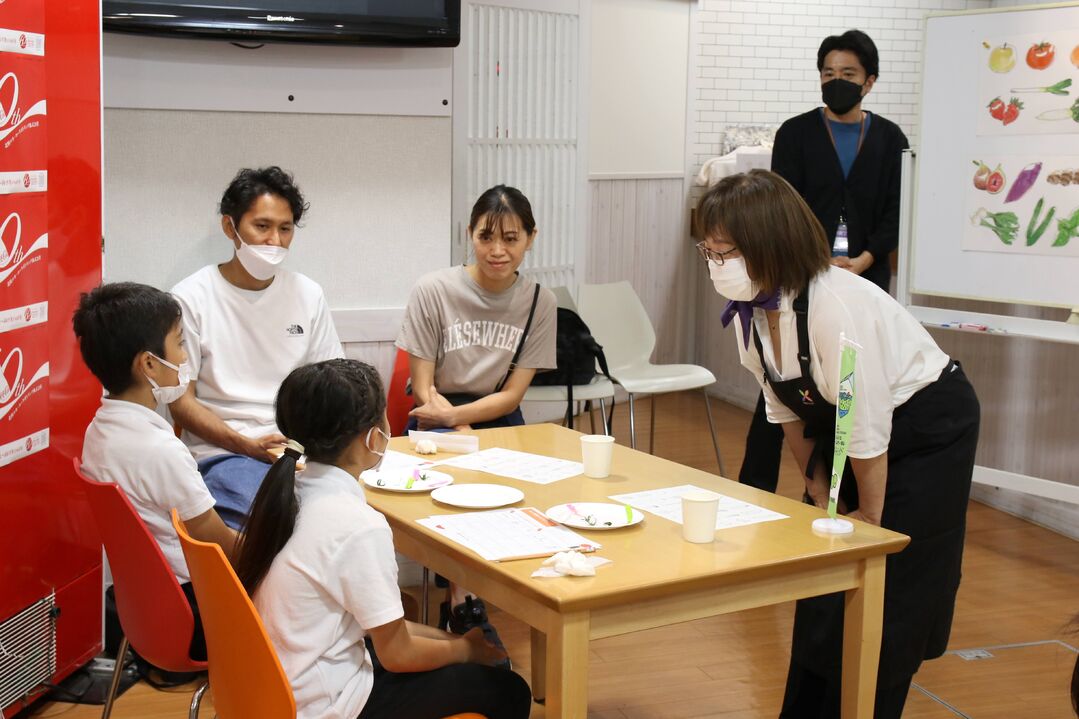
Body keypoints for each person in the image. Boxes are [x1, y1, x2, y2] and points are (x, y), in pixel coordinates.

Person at [696, 170, 979, 719]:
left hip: (926, 427)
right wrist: (820, 489)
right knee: (825, 565)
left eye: (725, 251)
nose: (716, 264)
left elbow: (867, 423)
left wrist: (867, 519)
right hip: (848, 425)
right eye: (708, 251)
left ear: (770, 244)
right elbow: (784, 408)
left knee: (892, 572)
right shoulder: (751, 312)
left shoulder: (834, 306)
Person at [235, 359, 532, 719]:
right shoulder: (359, 526)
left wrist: (457, 641)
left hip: (279, 682)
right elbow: (398, 654)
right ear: (372, 437)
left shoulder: (291, 492)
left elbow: (383, 629)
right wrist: (466, 652)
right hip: (325, 703)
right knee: (510, 691)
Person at [739, 29, 911, 494]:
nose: (836, 81)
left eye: (848, 74)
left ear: (869, 81)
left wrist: (865, 258)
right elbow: (783, 205)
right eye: (828, 73)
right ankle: (754, 485)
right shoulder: (796, 133)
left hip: (865, 275)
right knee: (782, 379)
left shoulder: (890, 138)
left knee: (847, 384)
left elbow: (898, 208)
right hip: (801, 273)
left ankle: (831, 491)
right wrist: (813, 262)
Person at [395, 184, 557, 648]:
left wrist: (465, 424)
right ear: (470, 234)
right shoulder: (433, 289)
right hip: (434, 415)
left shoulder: (540, 301)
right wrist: (455, 426)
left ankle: (501, 596)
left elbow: (511, 396)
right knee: (459, 491)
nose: (497, 250)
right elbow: (423, 385)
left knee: (528, 496)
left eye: (511, 238)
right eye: (486, 237)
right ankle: (462, 604)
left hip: (495, 416)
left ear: (531, 238)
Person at [169, 166, 343, 529]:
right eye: (262, 226)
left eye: (285, 229)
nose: (274, 241)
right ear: (229, 226)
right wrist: (245, 445)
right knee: (274, 524)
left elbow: (333, 384)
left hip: (298, 452)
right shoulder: (191, 297)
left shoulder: (308, 294)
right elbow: (180, 403)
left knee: (350, 516)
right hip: (223, 452)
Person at [74, 282, 239, 661]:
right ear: (148, 363)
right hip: (195, 617)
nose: (184, 356)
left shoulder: (98, 431)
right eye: (179, 343)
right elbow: (221, 547)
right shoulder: (160, 451)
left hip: (141, 611)